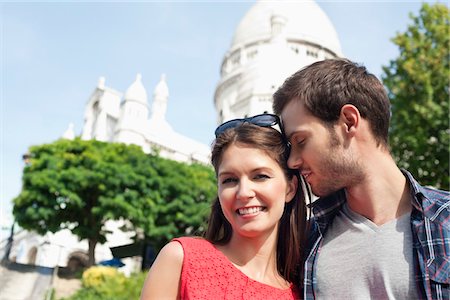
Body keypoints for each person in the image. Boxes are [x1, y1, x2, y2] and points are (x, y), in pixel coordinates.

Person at [272, 58, 450, 299]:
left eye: (301, 141)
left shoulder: (446, 220)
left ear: (349, 121)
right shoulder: (305, 240)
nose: (292, 161)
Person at [140, 114, 309, 299]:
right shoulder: (181, 259)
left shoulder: (301, 293)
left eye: (260, 176)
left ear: (290, 188)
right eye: (229, 180)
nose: (244, 192)